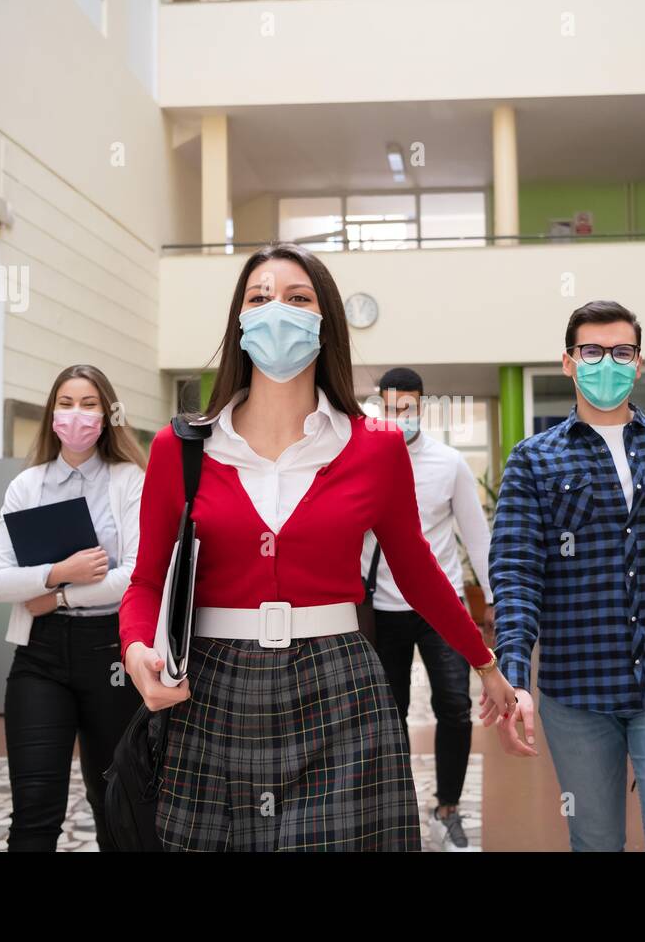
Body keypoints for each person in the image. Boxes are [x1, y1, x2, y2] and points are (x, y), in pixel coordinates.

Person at [118, 242, 517, 851]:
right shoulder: (182, 449)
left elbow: (418, 573)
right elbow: (147, 582)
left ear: (324, 320)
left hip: (337, 684)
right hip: (211, 685)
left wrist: (484, 663)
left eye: (298, 297)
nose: (278, 308)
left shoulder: (375, 447)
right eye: (260, 297)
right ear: (240, 321)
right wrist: (138, 648)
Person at [490, 299, 645, 851]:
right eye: (592, 351)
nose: (606, 363)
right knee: (595, 840)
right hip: (577, 690)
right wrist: (515, 675)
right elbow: (515, 572)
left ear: (638, 363)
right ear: (568, 361)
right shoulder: (533, 459)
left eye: (621, 352)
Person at [0, 365, 147, 851]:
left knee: (116, 802)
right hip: (40, 656)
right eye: (67, 403)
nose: (77, 415)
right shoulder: (27, 486)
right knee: (34, 811)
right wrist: (61, 571)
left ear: (109, 413)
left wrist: (56, 593)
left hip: (113, 653)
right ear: (51, 413)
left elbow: (134, 575)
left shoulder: (128, 480)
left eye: (90, 403)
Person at [363, 367, 496, 851]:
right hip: (382, 607)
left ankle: (448, 808)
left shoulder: (449, 463)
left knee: (456, 709)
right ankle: (394, 808)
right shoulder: (366, 459)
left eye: (409, 407)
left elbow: (477, 539)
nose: (400, 416)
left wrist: (495, 599)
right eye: (391, 407)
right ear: (379, 406)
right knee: (387, 714)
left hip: (441, 608)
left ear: (423, 408)